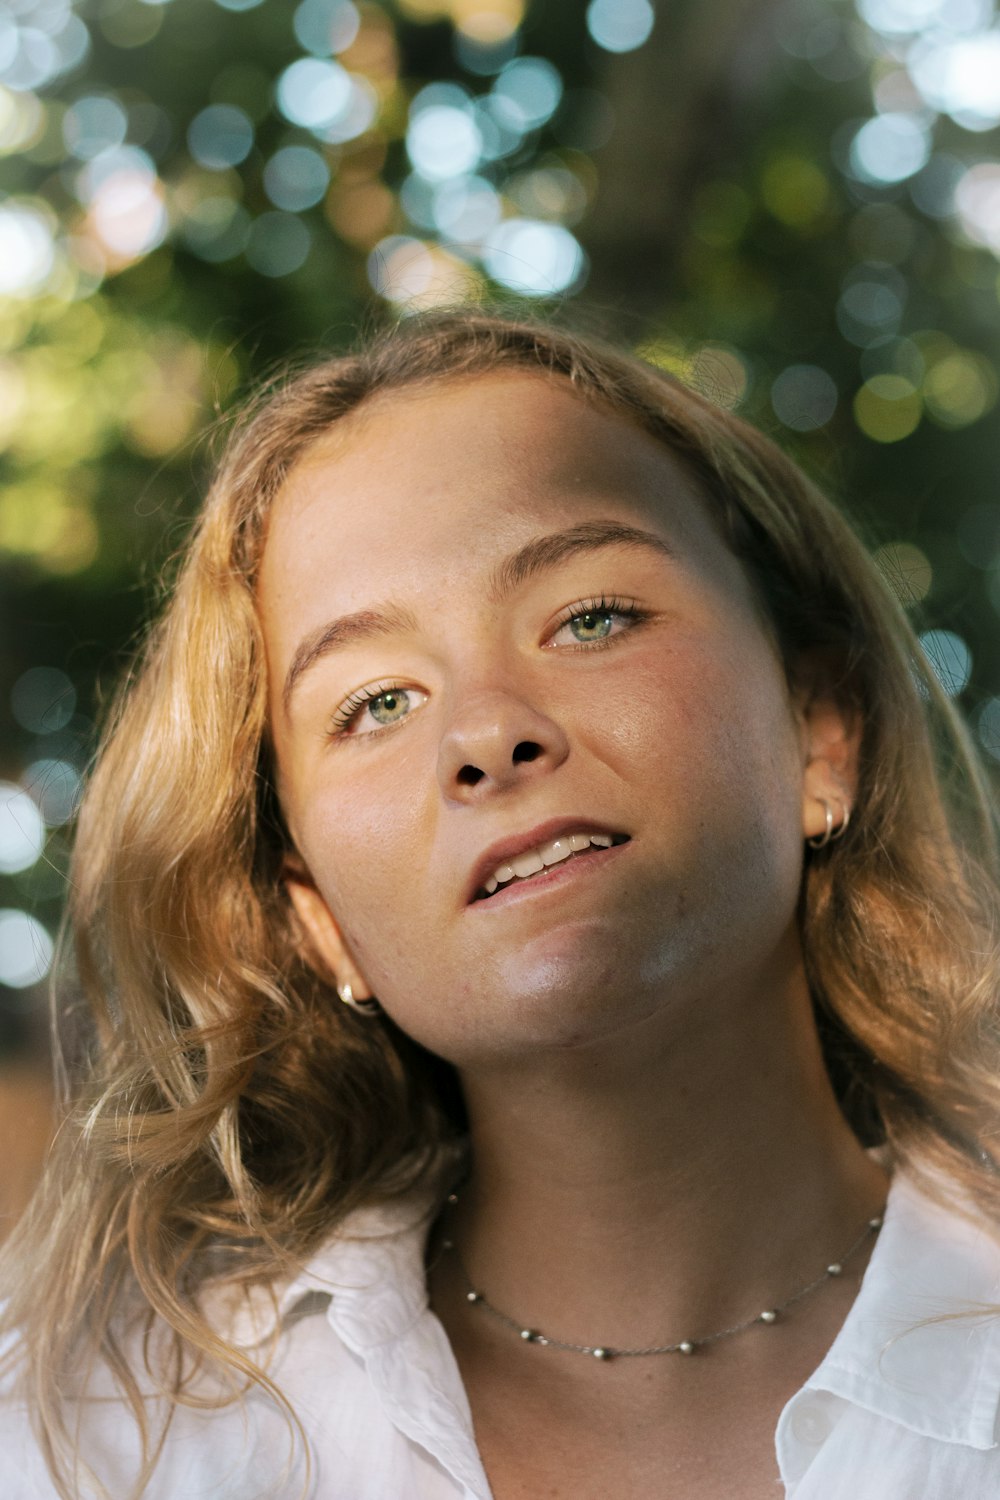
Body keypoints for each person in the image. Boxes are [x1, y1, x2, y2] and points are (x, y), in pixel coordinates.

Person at [1, 311, 999, 1500]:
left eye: (589, 617)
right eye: (374, 701)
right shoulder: (98, 1441)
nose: (484, 732)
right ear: (315, 914)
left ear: (817, 730)